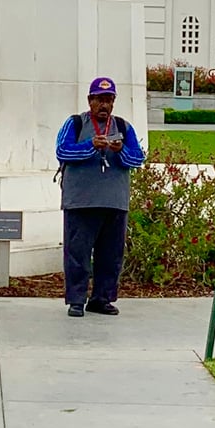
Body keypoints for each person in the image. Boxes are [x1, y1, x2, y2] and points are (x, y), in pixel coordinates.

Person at [55, 77, 144, 318]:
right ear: (90, 100)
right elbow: (62, 151)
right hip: (81, 202)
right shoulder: (74, 123)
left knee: (111, 255)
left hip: (115, 201)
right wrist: (91, 145)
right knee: (78, 254)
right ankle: (76, 300)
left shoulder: (124, 127)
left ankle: (102, 299)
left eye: (109, 100)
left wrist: (120, 150)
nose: (104, 105)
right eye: (99, 100)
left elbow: (138, 158)